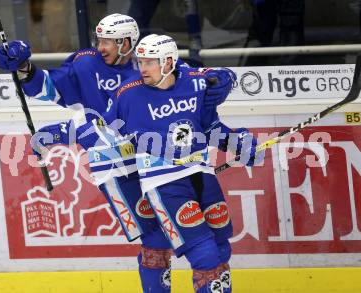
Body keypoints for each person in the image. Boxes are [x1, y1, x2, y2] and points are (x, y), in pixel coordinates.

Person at [0, 14, 173, 293]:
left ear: (127, 43)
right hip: (115, 169)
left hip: (153, 164)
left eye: (108, 42)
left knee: (174, 234)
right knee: (155, 237)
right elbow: (48, 87)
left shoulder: (147, 66)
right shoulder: (85, 63)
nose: (101, 47)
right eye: (99, 40)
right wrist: (24, 67)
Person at [91, 34, 263, 292]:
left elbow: (209, 126)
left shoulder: (193, 84)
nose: (143, 68)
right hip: (163, 181)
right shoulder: (129, 93)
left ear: (169, 62)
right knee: (201, 253)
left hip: (201, 173)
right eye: (140, 62)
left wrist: (237, 143)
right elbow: (101, 130)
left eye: (150, 62)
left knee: (220, 247)